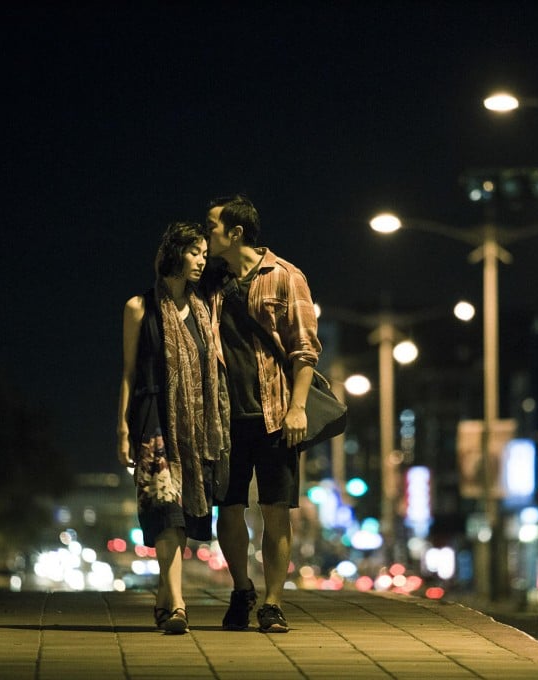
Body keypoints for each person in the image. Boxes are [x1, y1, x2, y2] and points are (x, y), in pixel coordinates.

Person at [204, 194, 321, 633]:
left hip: (275, 415)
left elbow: (304, 348)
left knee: (276, 509)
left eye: (213, 226)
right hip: (225, 417)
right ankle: (241, 589)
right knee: (228, 509)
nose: (207, 233)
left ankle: (273, 603)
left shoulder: (286, 277)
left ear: (236, 233)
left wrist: (298, 408)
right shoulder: (211, 281)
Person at [117, 221, 230, 634]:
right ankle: (179, 604)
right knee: (165, 511)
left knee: (179, 516)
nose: (202, 260)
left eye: (204, 253)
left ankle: (165, 599)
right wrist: (122, 430)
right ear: (174, 253)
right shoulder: (138, 307)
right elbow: (128, 373)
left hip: (194, 428)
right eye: (194, 252)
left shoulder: (205, 311)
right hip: (151, 418)